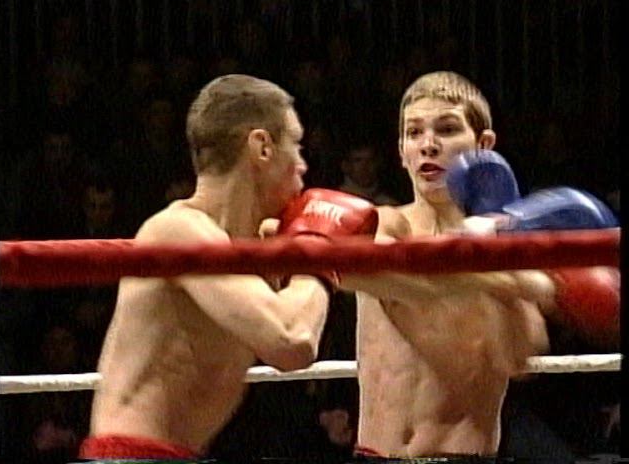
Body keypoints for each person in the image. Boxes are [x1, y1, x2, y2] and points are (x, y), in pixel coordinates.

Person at [79, 74, 377, 460]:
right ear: (262, 147)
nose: (303, 166)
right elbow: (291, 341)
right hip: (132, 455)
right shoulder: (178, 231)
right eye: (296, 144)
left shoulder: (249, 248)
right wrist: (316, 251)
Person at [338, 71, 620, 458]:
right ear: (401, 151)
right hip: (372, 453)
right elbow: (392, 287)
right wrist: (509, 277)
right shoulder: (383, 224)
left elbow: (519, 355)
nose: (428, 145)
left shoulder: (506, 251)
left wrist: (497, 258)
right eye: (414, 133)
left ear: (483, 145)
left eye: (447, 129)